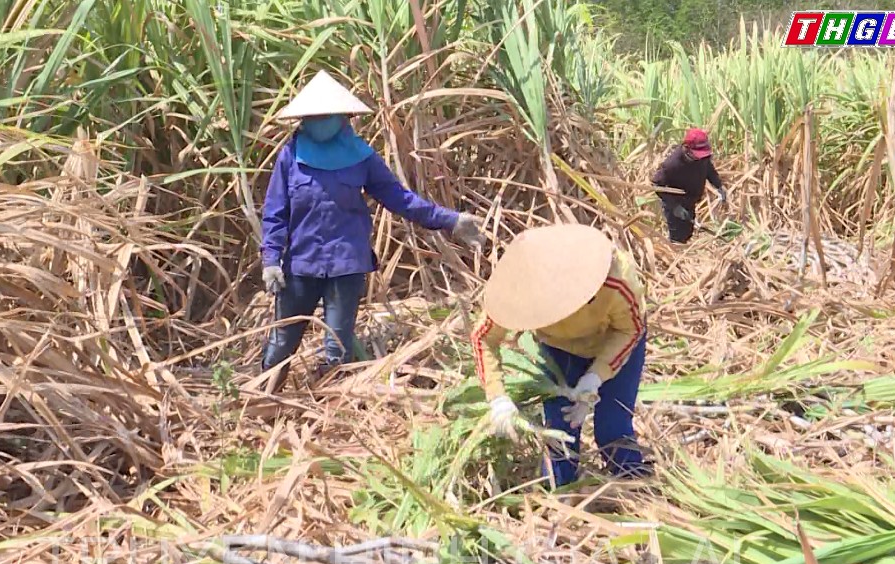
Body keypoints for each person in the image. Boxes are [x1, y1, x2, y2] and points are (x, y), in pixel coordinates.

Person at [261, 70, 485, 391]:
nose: (319, 121)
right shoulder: (291, 157)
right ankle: (261, 404)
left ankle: (330, 415)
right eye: (314, 116)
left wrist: (450, 220)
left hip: (346, 265)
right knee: (281, 343)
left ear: (343, 118)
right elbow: (275, 211)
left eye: (326, 115)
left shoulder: (361, 157)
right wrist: (271, 259)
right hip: (301, 265)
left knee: (337, 348)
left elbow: (400, 199)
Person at [470, 223, 652, 488]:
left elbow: (630, 330)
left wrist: (594, 378)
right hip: (558, 351)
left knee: (612, 427)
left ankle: (634, 488)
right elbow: (484, 337)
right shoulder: (518, 289)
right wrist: (497, 397)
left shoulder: (615, 279)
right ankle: (560, 497)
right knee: (559, 432)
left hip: (612, 343)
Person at [651, 128, 727, 244]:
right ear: (686, 148)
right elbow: (657, 184)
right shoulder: (672, 164)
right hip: (676, 203)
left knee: (687, 232)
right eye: (698, 155)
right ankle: (675, 255)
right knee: (677, 235)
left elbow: (709, 171)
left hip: (691, 199)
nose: (701, 158)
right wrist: (675, 207)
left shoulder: (703, 159)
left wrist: (719, 186)